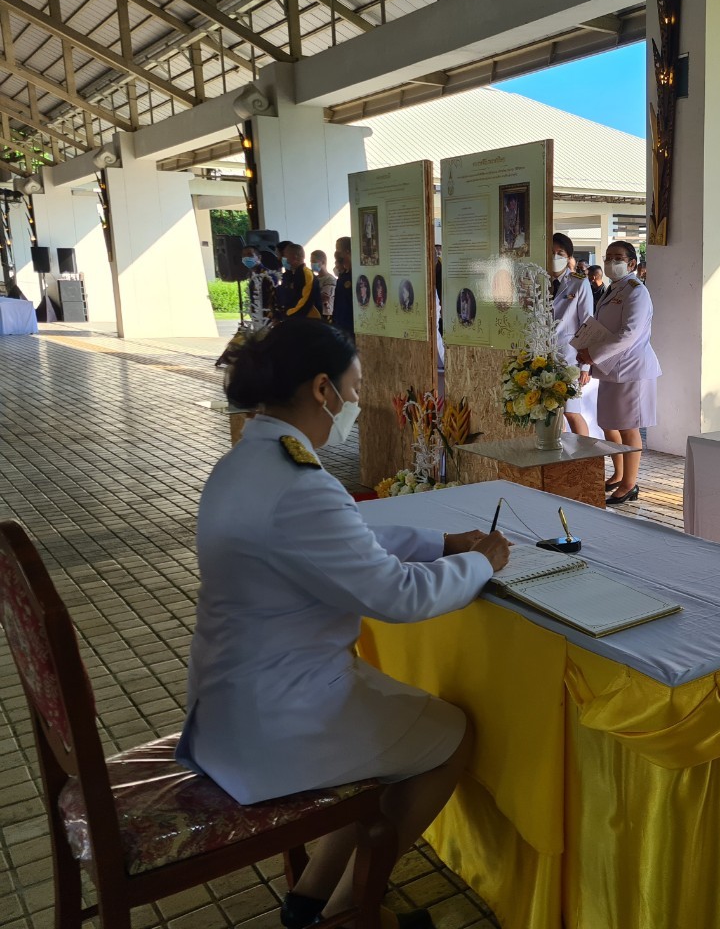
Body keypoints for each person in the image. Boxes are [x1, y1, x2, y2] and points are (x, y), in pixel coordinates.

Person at [176, 319, 511, 929]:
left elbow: (348, 539)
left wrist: (441, 542)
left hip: (230, 700)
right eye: (353, 388)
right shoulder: (297, 484)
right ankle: (354, 909)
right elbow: (397, 595)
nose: (356, 403)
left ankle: (312, 897)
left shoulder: (246, 462)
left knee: (394, 731)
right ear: (321, 389)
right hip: (275, 719)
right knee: (449, 737)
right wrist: (480, 563)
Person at [575, 240, 660, 504]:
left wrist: (593, 354)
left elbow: (629, 334)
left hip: (632, 369)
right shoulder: (614, 289)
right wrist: (586, 353)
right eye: (608, 257)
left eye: (618, 258)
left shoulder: (637, 291)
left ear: (632, 263)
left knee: (629, 427)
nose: (612, 262)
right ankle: (619, 474)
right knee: (610, 423)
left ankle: (630, 485)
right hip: (611, 368)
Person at [549, 233, 594, 437]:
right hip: (542, 358)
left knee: (571, 411)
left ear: (568, 258)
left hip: (569, 358)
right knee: (549, 410)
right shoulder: (537, 280)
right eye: (551, 252)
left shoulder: (579, 283)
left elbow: (587, 323)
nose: (555, 257)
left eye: (560, 253)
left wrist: (585, 366)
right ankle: (558, 450)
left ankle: (585, 453)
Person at [278, 243, 321, 320]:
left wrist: (288, 314)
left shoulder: (306, 274)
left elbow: (306, 300)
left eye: (285, 256)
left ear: (295, 257)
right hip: (293, 318)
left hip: (307, 319)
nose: (283, 259)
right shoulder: (291, 274)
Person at [332, 237, 355, 336]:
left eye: (338, 250)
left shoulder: (356, 274)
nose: (337, 254)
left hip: (351, 326)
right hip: (340, 325)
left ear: (347, 251)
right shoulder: (343, 275)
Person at [311, 249, 338, 323]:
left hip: (325, 314)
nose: (312, 264)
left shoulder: (330, 279)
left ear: (322, 262)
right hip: (315, 313)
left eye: (314, 261)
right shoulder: (314, 278)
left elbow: (325, 297)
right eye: (311, 261)